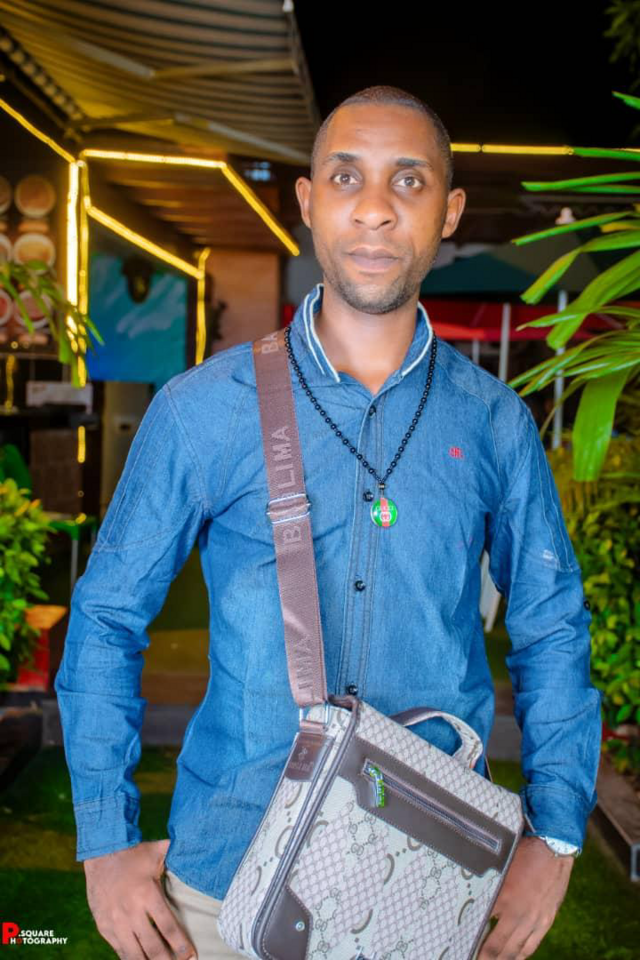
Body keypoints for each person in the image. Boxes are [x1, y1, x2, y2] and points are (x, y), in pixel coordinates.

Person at [55, 86, 601, 960]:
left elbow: (552, 626)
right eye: (347, 177)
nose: (376, 208)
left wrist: (558, 834)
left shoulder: (495, 422)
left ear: (449, 211)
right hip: (228, 871)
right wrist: (104, 840)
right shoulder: (203, 409)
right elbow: (107, 615)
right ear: (308, 203)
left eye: (409, 180)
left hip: (427, 879)